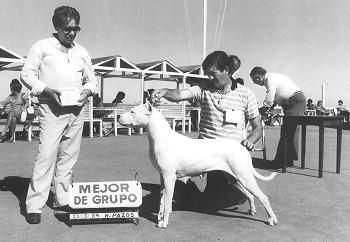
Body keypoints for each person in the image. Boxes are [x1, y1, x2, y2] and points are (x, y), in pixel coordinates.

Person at [151, 51, 262, 207]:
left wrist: (250, 141)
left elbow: (257, 127)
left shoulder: (246, 94)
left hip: (229, 155)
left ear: (227, 71)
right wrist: (165, 92)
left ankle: (237, 192)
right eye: (207, 74)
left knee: (216, 202)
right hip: (204, 154)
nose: (209, 78)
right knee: (203, 200)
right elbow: (181, 94)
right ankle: (188, 186)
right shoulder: (203, 89)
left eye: (212, 74)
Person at [20, 6, 98, 224]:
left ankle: (62, 198)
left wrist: (87, 91)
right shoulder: (41, 47)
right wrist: (45, 90)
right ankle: (34, 205)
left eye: (76, 28)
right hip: (50, 109)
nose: (72, 33)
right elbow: (26, 73)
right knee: (46, 155)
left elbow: (92, 80)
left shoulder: (82, 52)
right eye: (67, 29)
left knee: (69, 157)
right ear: (56, 27)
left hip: (77, 110)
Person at [250, 66, 306, 168]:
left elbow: (271, 96)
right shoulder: (272, 78)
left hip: (294, 101)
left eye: (254, 80)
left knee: (287, 131)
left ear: (258, 76)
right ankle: (287, 160)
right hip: (293, 102)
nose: (255, 83)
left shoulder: (270, 78)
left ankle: (280, 161)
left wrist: (263, 109)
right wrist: (269, 107)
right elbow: (275, 98)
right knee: (290, 131)